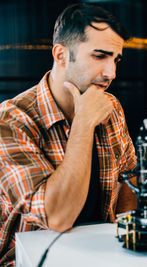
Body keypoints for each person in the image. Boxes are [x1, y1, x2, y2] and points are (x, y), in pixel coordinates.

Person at [0, 4, 136, 265]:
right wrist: (83, 123)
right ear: (61, 55)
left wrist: (124, 241)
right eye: (99, 56)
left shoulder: (111, 107)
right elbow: (57, 217)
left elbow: (129, 176)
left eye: (115, 59)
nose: (111, 73)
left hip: (100, 255)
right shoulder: (11, 120)